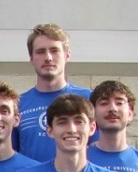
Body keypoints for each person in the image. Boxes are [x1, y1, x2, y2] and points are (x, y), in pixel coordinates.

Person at [15, 24, 91, 160]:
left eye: (54, 50)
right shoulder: (18, 104)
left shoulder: (87, 99)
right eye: (40, 52)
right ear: (31, 58)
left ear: (67, 56)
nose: (48, 57)